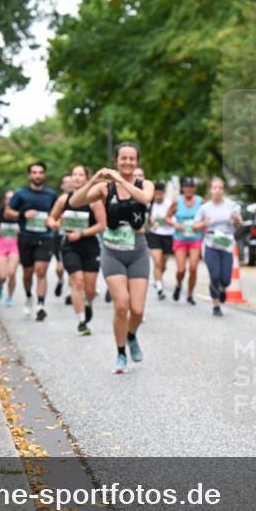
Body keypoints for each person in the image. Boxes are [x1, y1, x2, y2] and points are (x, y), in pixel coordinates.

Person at [69, 142, 154, 374]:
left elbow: (144, 199)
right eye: (123, 158)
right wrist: (93, 180)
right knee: (121, 305)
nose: (127, 162)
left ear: (137, 161)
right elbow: (75, 201)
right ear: (116, 159)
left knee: (137, 310)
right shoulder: (106, 189)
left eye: (131, 159)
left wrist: (121, 179)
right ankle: (120, 353)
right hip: (112, 251)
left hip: (137, 250)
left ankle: (132, 335)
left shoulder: (144, 184)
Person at [49, 166, 106, 335]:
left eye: (81, 175)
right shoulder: (63, 200)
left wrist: (81, 234)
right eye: (74, 174)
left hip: (90, 247)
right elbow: (51, 219)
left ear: (87, 179)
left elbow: (102, 225)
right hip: (69, 246)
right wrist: (54, 224)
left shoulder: (94, 201)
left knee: (90, 289)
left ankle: (88, 304)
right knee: (77, 281)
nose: (77, 177)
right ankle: (81, 321)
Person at [6, 162, 59, 321]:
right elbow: (8, 212)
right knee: (27, 273)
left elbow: (58, 214)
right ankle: (29, 295)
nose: (37, 175)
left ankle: (41, 305)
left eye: (40, 172)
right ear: (30, 175)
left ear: (44, 175)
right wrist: (22, 214)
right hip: (26, 238)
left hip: (45, 237)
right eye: (34, 172)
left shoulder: (51, 195)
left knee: (41, 271)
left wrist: (53, 222)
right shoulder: (21, 194)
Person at [194, 177, 242, 316]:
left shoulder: (231, 205)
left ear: (223, 190)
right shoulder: (205, 208)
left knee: (226, 279)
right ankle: (216, 305)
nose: (217, 191)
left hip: (226, 245)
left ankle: (222, 288)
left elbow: (239, 222)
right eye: (215, 188)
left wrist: (236, 220)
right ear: (210, 190)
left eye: (220, 188)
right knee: (214, 275)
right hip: (210, 244)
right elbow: (194, 225)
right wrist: (203, 223)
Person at [166, 176, 203, 305]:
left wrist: (200, 224)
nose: (189, 189)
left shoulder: (200, 201)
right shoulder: (177, 201)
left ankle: (190, 294)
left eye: (191, 187)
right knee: (181, 269)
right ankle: (179, 284)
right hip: (180, 238)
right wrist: (175, 225)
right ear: (183, 188)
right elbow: (167, 218)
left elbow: (207, 217)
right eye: (186, 187)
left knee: (193, 268)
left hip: (195, 238)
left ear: (194, 188)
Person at [146, 182, 174, 300]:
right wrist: (151, 221)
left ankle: (159, 277)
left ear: (163, 193)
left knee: (163, 264)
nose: (158, 196)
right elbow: (147, 218)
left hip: (167, 235)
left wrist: (165, 220)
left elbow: (173, 219)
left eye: (160, 194)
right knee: (157, 262)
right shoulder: (150, 204)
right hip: (154, 235)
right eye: (156, 193)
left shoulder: (170, 204)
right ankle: (159, 287)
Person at [52, 173, 74, 301]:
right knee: (60, 267)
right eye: (66, 182)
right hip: (60, 236)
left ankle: (70, 293)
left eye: (71, 181)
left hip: (76, 237)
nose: (69, 184)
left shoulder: (82, 198)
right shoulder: (60, 200)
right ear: (62, 186)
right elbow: (51, 219)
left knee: (72, 266)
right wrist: (59, 222)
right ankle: (60, 280)